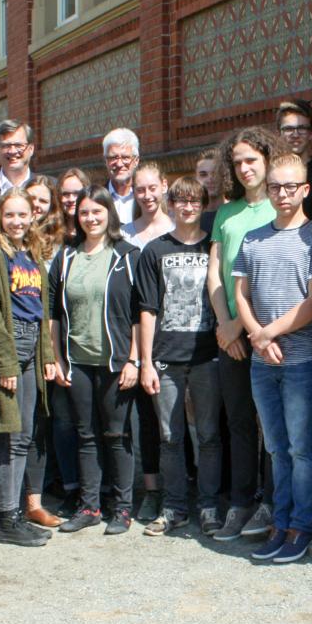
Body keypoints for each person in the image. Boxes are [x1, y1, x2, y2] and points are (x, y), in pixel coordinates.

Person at [234, 153, 312, 563]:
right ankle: (281, 522)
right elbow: (241, 293)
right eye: (275, 186)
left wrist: (270, 332)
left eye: (291, 186)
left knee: (302, 448)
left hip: (301, 361)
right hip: (261, 361)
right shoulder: (254, 237)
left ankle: (302, 526)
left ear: (305, 189)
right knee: (276, 448)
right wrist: (256, 334)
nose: (283, 193)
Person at [49, 187, 140, 535]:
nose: (90, 218)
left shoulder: (127, 255)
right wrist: (57, 357)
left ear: (109, 215)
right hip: (78, 360)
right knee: (86, 435)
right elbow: (54, 312)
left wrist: (133, 360)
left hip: (115, 361)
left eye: (97, 212)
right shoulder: (66, 257)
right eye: (84, 212)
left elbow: (139, 312)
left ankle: (123, 508)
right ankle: (90, 506)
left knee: (116, 435)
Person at [207, 127, 283, 541]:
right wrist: (225, 324)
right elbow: (216, 273)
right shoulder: (226, 212)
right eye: (237, 162)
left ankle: (270, 503)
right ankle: (240, 503)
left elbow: (269, 271)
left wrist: (243, 325)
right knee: (238, 422)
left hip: (271, 333)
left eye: (252, 159)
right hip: (231, 337)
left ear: (268, 160)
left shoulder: (280, 206)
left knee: (271, 424)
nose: (245, 168)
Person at [136, 176, 222, 536]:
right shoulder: (154, 251)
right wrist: (145, 362)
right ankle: (174, 507)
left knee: (209, 435)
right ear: (171, 204)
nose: (188, 207)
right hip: (166, 357)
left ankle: (210, 506)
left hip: (207, 355)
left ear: (204, 206)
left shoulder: (213, 248)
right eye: (181, 201)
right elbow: (147, 309)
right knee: (170, 436)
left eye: (195, 201)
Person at [0, 188, 58, 547]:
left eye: (23, 215)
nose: (17, 222)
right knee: (9, 436)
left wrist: (48, 356)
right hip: (9, 347)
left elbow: (42, 310)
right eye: (10, 215)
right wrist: (6, 360)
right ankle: (6, 517)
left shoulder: (32, 254)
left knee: (25, 435)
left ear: (32, 217)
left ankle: (17, 514)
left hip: (33, 347)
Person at [117, 161, 174, 522]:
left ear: (164, 186)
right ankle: (152, 489)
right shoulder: (124, 234)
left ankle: (183, 488)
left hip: (173, 335)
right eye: (140, 189)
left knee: (174, 420)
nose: (147, 195)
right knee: (146, 420)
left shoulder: (179, 229)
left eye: (153, 187)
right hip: (133, 337)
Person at [20, 175, 68, 528]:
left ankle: (53, 484)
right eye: (30, 200)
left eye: (41, 200)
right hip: (25, 340)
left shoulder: (62, 241)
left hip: (57, 338)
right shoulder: (14, 243)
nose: (37, 206)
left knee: (55, 416)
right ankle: (23, 494)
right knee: (29, 419)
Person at [51, 167, 91, 515]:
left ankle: (97, 487)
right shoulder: (52, 236)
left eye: (76, 192)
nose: (70, 199)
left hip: (91, 341)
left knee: (89, 422)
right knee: (63, 420)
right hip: (60, 340)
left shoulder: (93, 233)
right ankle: (70, 486)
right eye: (64, 193)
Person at [275, 99, 312, 222]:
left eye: (302, 128)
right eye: (288, 129)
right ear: (278, 133)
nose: (295, 134)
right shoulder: (270, 174)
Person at [103, 128, 140, 225]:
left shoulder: (145, 196)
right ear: (106, 161)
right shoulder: (97, 199)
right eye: (113, 158)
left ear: (136, 161)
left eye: (125, 157)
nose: (119, 164)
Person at [195, 147, 227, 233]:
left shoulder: (236, 213)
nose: (210, 179)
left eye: (215, 173)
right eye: (203, 174)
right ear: (196, 178)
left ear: (225, 176)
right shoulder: (190, 217)